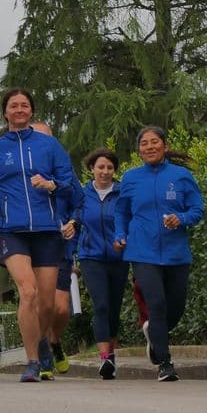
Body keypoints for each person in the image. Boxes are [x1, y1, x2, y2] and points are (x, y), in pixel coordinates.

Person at [0, 88, 76, 382]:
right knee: (27, 291)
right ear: (5, 112)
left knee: (47, 303)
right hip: (11, 229)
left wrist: (51, 184)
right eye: (14, 106)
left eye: (25, 105)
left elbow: (68, 183)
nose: (19, 109)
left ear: (31, 111)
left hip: (46, 228)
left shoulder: (49, 146)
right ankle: (32, 360)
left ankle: (43, 343)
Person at [114, 126, 203, 382]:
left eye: (155, 142)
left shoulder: (182, 176)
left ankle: (154, 333)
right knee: (157, 304)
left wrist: (182, 218)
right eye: (144, 143)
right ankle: (165, 363)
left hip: (176, 253)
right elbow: (121, 212)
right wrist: (119, 234)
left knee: (175, 308)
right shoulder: (130, 178)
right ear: (139, 149)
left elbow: (197, 209)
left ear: (164, 145)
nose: (150, 147)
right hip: (142, 252)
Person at [30, 121, 84, 378]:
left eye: (46, 139)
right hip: (30, 244)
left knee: (60, 308)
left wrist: (74, 222)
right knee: (38, 301)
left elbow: (81, 203)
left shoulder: (65, 173)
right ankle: (41, 356)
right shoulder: (21, 174)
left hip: (60, 245)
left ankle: (54, 341)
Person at [77, 148, 130, 379]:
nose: (105, 172)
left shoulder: (122, 193)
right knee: (101, 305)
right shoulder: (82, 195)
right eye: (100, 167)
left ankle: (112, 356)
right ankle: (104, 358)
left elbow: (130, 219)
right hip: (91, 257)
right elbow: (74, 223)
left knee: (113, 310)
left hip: (119, 257)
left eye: (109, 167)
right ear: (92, 169)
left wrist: (125, 239)